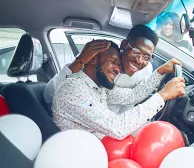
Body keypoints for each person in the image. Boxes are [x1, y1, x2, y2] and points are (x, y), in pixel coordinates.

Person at [52, 40, 186, 140]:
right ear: (93, 59)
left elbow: (132, 96)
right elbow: (118, 127)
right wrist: (162, 95)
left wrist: (161, 71)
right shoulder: (74, 88)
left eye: (118, 64)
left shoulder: (99, 88)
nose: (117, 69)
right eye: (113, 62)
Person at [44, 25, 158, 112]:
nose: (139, 60)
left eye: (147, 57)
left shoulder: (146, 70)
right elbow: (49, 95)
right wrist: (80, 60)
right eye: (136, 51)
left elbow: (129, 102)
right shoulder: (99, 57)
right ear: (124, 45)